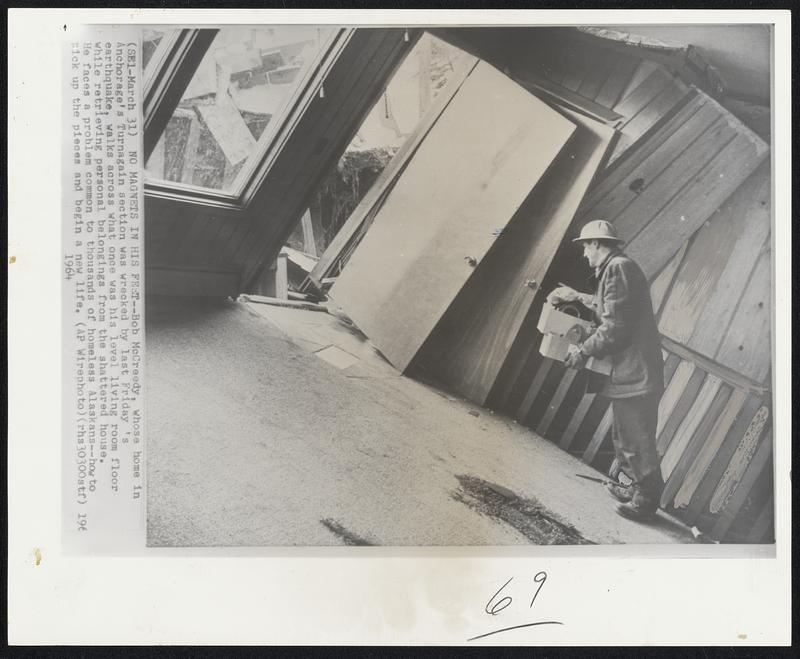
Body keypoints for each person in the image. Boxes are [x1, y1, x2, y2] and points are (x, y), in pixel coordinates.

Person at [548, 220, 665, 521]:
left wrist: (582, 350)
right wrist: (577, 296)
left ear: (598, 244)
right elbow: (610, 308)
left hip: (636, 371)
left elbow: (614, 327)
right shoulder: (617, 268)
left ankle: (645, 501)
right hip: (632, 370)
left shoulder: (617, 268)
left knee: (636, 437)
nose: (585, 253)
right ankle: (637, 488)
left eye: (586, 246)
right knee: (626, 433)